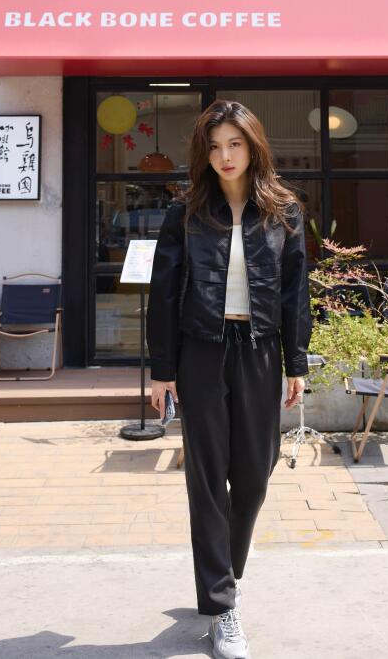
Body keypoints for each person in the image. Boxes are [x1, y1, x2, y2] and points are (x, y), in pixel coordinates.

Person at [146, 99, 312, 659]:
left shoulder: (284, 211)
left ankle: (225, 571)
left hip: (260, 348)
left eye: (234, 144)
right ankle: (222, 605)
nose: (225, 156)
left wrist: (297, 362)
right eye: (215, 146)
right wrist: (163, 371)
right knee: (207, 476)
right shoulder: (186, 211)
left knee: (256, 473)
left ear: (253, 146)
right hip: (201, 350)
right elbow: (164, 293)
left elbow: (295, 293)